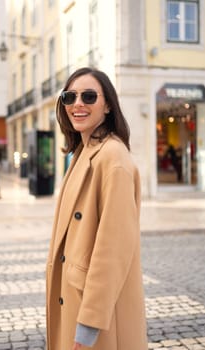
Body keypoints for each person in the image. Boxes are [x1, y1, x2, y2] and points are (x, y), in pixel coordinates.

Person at [46, 67, 148, 350]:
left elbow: (113, 249)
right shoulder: (84, 152)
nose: (78, 104)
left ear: (107, 106)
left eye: (89, 96)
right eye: (70, 96)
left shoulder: (112, 158)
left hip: (98, 315)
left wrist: (88, 326)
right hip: (77, 298)